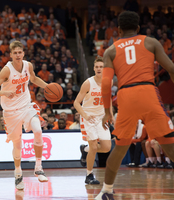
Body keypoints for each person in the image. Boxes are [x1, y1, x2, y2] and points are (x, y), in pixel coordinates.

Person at [95, 11, 174, 199]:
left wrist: (108, 110)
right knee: (168, 141)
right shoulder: (151, 42)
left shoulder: (110, 51)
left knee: (120, 146)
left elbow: (106, 84)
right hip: (147, 92)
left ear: (119, 30)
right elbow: (171, 68)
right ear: (138, 28)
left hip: (125, 95)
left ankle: (106, 190)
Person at [0, 41, 48, 190]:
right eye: (14, 53)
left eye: (20, 52)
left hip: (26, 105)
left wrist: (48, 86)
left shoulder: (28, 66)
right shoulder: (6, 70)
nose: (17, 55)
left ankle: (38, 167)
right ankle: (18, 173)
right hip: (10, 112)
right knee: (17, 144)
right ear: (10, 55)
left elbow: (34, 79)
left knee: (38, 130)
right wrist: (4, 92)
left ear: (23, 53)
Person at [73, 57, 113, 185]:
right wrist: (85, 115)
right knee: (94, 146)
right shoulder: (88, 83)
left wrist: (110, 114)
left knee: (107, 148)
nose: (99, 69)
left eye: (101, 67)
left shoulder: (109, 82)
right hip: (88, 116)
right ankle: (89, 175)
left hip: (102, 117)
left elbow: (109, 100)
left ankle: (85, 150)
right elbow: (76, 103)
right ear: (94, 68)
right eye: (97, 67)